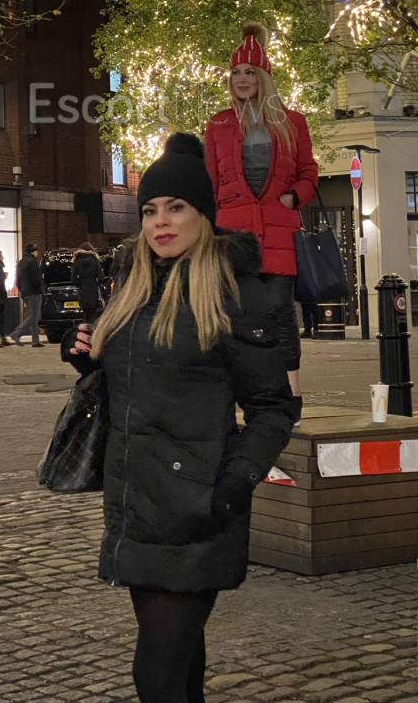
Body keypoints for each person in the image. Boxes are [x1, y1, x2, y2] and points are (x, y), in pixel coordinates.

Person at [62, 133, 296, 703]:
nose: (160, 222)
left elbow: (273, 406)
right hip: (135, 503)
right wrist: (85, 358)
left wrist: (235, 483)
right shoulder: (134, 287)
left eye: (176, 207)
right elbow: (131, 380)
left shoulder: (234, 293)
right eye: (149, 211)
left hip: (197, 508)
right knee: (180, 663)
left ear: (204, 216)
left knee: (156, 676)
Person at [204, 22, 318, 421]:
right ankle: (246, 394)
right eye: (235, 72)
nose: (241, 79)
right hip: (232, 234)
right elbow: (210, 179)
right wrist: (208, 226)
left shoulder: (292, 122)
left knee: (279, 312)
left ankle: (290, 393)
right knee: (235, 315)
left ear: (263, 76)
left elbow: (308, 171)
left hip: (278, 230)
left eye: (250, 72)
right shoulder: (218, 124)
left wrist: (295, 196)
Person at [9, 243, 43, 347]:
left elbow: (17, 280)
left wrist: (21, 290)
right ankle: (17, 333)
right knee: (35, 316)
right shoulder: (33, 262)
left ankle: (35, 340)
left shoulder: (21, 262)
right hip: (34, 292)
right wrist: (41, 287)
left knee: (34, 316)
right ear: (33, 251)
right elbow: (37, 278)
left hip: (25, 292)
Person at [71, 241, 106, 325]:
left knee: (85, 313)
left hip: (83, 290)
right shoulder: (95, 261)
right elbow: (101, 277)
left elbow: (73, 278)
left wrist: (79, 284)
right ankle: (92, 330)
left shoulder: (77, 261)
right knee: (93, 314)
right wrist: (96, 283)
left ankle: (86, 328)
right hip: (93, 289)